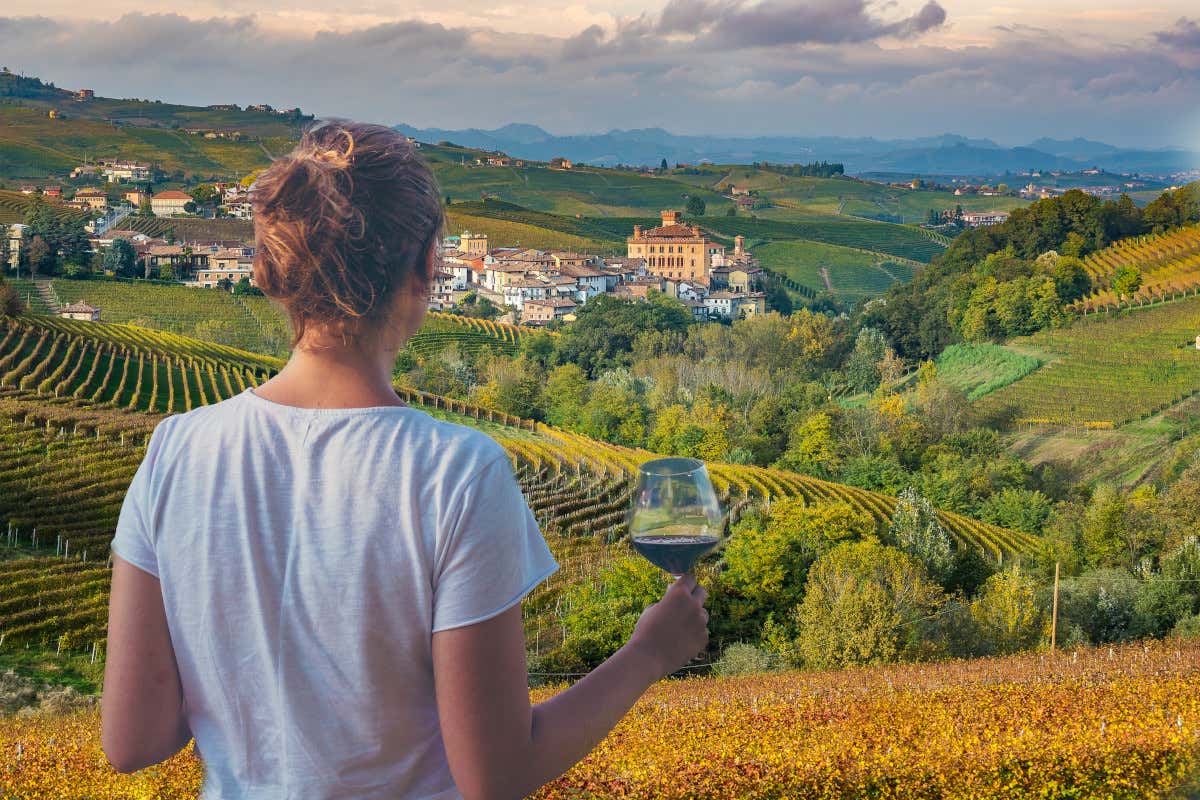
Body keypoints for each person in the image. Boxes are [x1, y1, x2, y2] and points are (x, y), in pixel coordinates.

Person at [101, 120, 710, 800]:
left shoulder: (176, 451)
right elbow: (497, 776)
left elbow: (134, 741)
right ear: (425, 268)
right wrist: (648, 654)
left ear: (274, 270)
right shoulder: (457, 472)